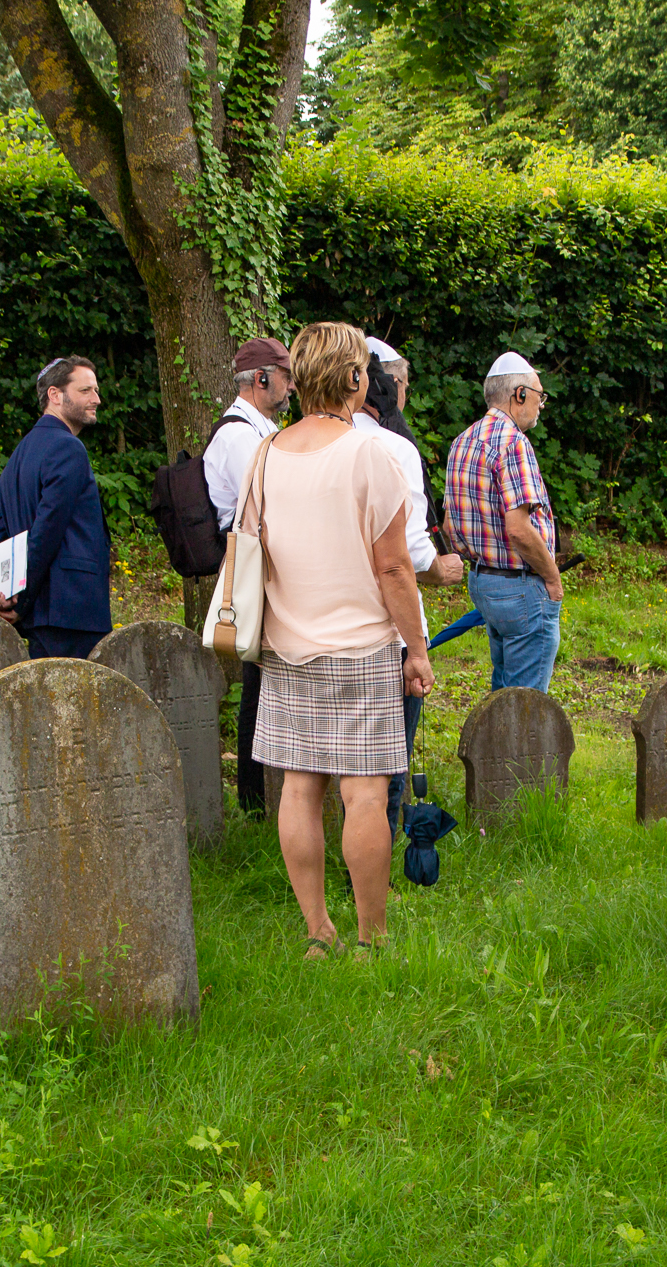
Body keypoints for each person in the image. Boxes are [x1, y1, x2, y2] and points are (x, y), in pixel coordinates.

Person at [249, 321, 432, 958]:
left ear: (297, 378)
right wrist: (417, 648)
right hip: (361, 646)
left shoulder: (267, 452)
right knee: (364, 794)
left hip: (288, 645)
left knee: (298, 790)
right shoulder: (369, 454)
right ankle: (370, 937)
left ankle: (316, 930)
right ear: (356, 378)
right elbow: (393, 566)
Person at [359, 336, 462, 835]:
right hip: (389, 627)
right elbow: (408, 557)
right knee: (389, 757)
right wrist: (440, 569)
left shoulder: (297, 444)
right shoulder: (394, 447)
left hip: (320, 631)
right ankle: (385, 855)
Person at [203, 336, 295, 811]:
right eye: (285, 377)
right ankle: (256, 801)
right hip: (251, 565)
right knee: (257, 683)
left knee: (261, 681)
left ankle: (260, 799)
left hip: (258, 561)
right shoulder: (241, 436)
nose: (291, 387)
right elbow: (266, 511)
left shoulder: (255, 430)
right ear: (261, 379)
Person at [443, 351, 564, 692]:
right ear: (520, 394)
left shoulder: (462, 441)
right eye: (540, 396)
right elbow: (519, 529)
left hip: (484, 582)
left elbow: (451, 524)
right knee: (526, 706)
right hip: (520, 587)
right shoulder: (513, 443)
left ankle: (491, 747)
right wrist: (552, 580)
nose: (541, 404)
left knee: (503, 695)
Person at [0, 356, 113, 659]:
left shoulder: (18, 455)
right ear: (55, 395)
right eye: (85, 391)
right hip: (70, 612)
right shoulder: (68, 447)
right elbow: (47, 530)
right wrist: (23, 600)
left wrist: (4, 597)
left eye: (96, 390)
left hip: (41, 615)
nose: (96, 399)